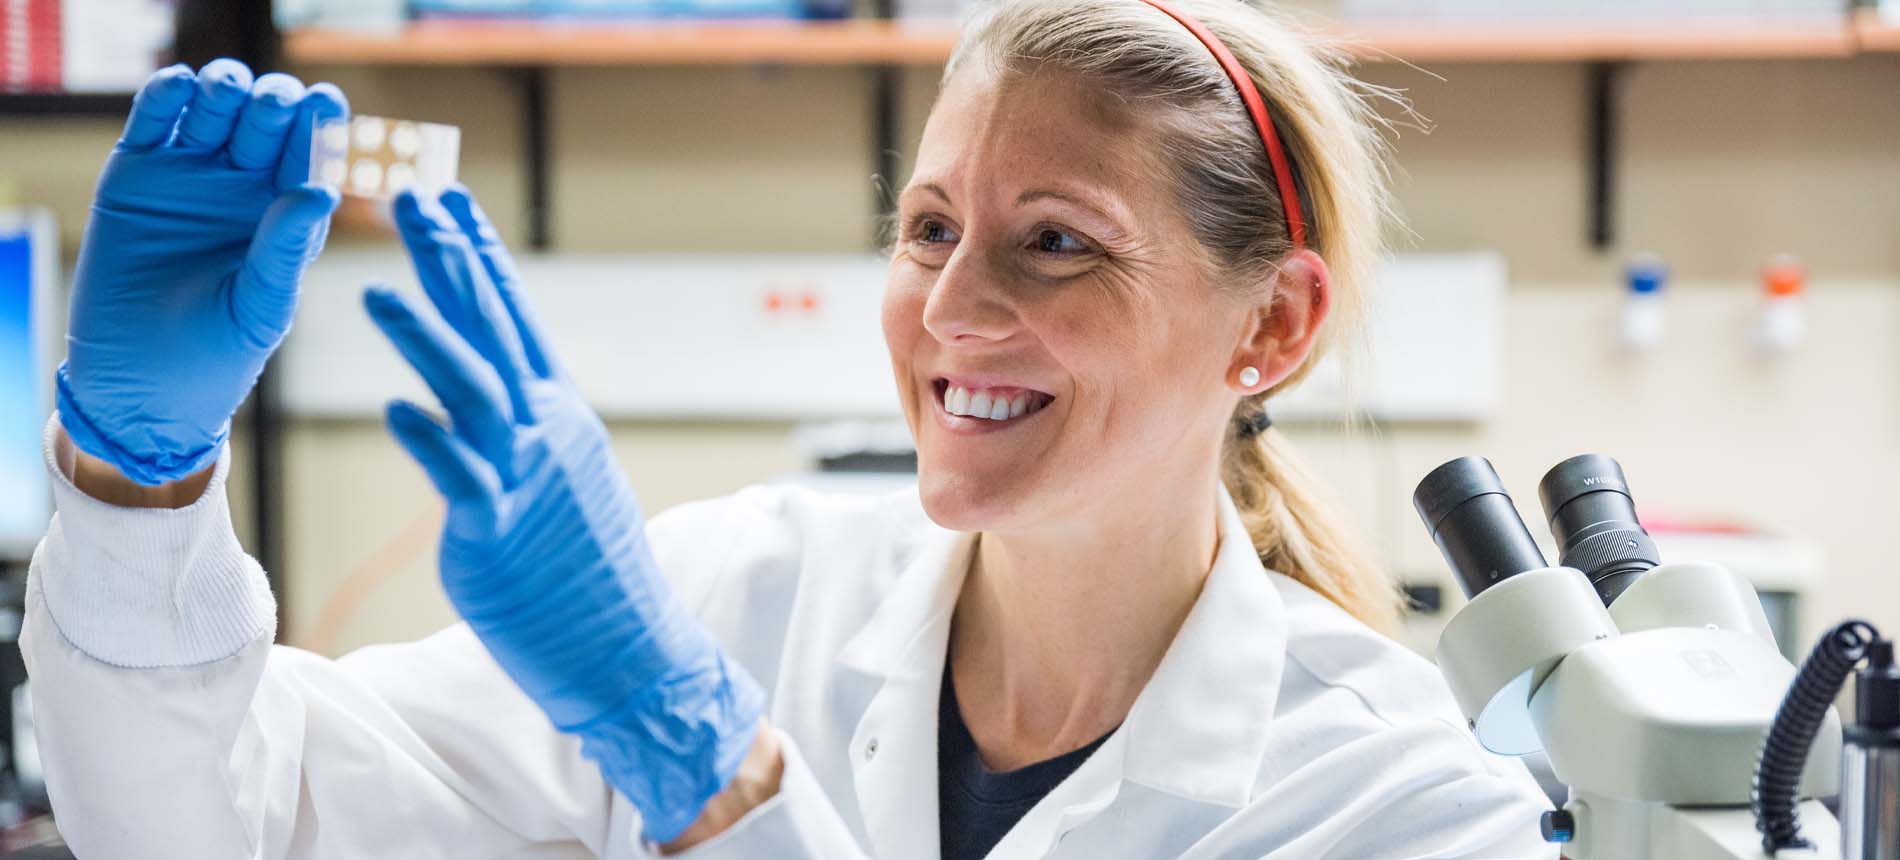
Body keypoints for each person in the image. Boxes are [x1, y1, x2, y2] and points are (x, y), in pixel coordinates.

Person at [22, 0, 1559, 857]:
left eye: (1057, 243)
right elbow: (214, 823)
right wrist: (137, 483)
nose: (952, 311)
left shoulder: (1400, 805)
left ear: (1276, 324)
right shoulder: (735, 588)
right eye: (930, 227)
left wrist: (713, 775)